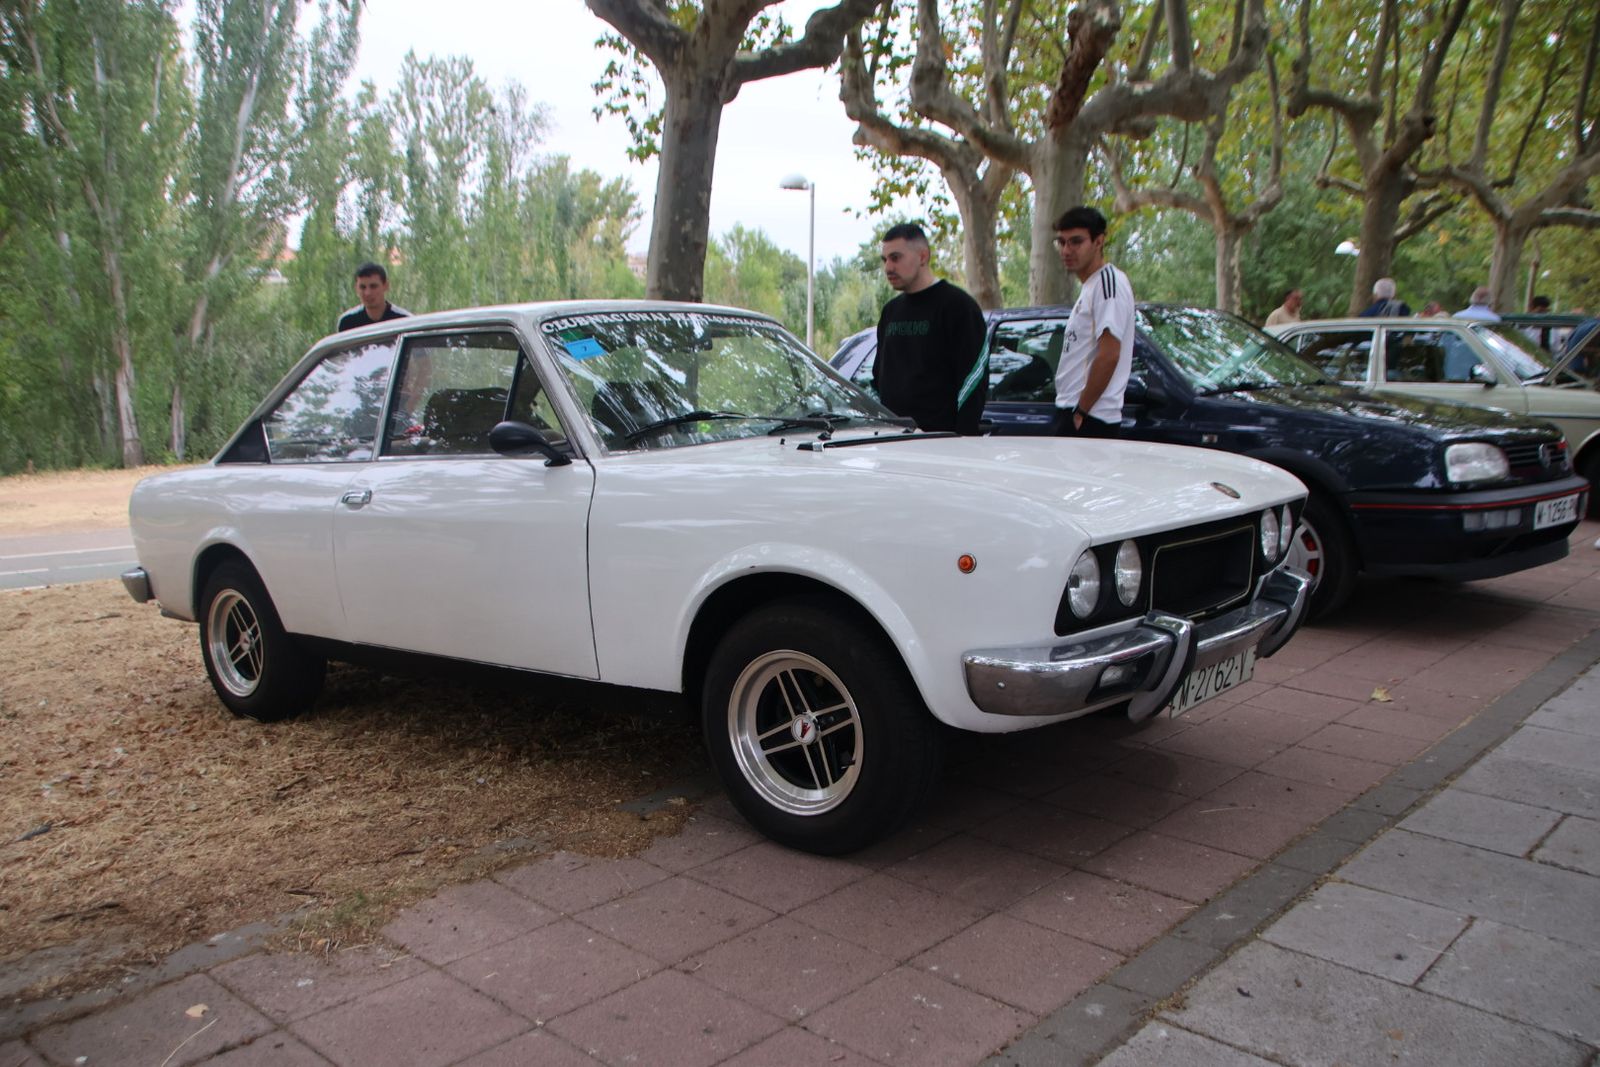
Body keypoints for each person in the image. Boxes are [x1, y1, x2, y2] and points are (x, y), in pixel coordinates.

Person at [873, 223, 988, 435]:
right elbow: (878, 378)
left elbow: (973, 382)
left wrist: (962, 440)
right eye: (885, 259)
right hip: (890, 443)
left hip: (940, 444)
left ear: (923, 257)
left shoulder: (958, 307)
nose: (888, 267)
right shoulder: (890, 311)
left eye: (896, 258)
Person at [1051, 205, 1135, 439]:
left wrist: (1081, 412)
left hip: (1092, 417)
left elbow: (1110, 354)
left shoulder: (1109, 283)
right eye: (1062, 242)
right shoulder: (1091, 287)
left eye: (1076, 242)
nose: (1067, 250)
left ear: (1099, 241)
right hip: (1073, 411)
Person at [338, 262, 410, 332]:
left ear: (386, 286)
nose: (368, 293)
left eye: (373, 286)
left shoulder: (404, 320)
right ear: (356, 289)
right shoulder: (347, 322)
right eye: (362, 287)